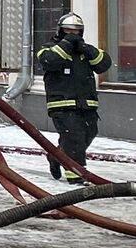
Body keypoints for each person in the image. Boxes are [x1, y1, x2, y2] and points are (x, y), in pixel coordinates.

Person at [35, 11, 110, 183]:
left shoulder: (84, 51)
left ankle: (56, 156)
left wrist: (86, 49)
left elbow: (103, 64)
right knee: (74, 137)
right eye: (68, 31)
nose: (73, 35)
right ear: (60, 31)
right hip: (62, 104)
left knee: (89, 133)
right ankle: (76, 177)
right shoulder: (47, 48)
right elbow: (49, 61)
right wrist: (68, 42)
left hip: (87, 104)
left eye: (76, 31)